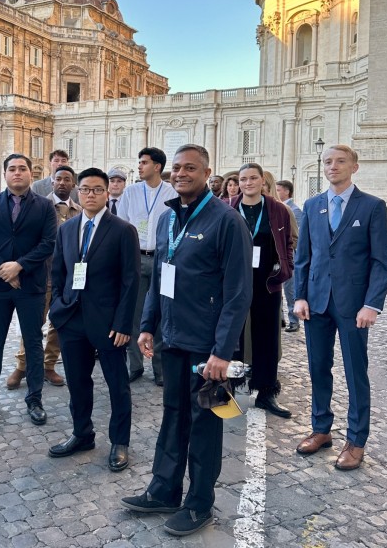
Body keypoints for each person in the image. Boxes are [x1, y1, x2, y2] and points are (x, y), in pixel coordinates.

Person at [121, 145, 252, 536]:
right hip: (173, 339)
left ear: (206, 172)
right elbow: (161, 277)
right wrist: (148, 326)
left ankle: (199, 504)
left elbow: (238, 294)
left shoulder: (227, 222)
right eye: (176, 168)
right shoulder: (167, 220)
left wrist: (222, 353)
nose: (180, 174)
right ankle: (164, 489)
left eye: (189, 168)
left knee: (205, 422)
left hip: (206, 347)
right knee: (173, 416)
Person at [294, 144, 387, 471]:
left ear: (354, 167)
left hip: (353, 307)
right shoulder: (312, 206)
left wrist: (372, 305)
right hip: (316, 303)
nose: (332, 166)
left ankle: (356, 439)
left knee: (354, 372)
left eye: (340, 161)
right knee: (318, 369)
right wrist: (300, 296)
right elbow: (304, 258)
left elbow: (381, 263)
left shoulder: (373, 207)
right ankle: (321, 429)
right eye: (327, 162)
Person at [48, 167, 140, 471]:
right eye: (85, 189)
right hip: (72, 319)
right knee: (77, 381)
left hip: (109, 323)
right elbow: (59, 271)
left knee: (117, 384)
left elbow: (130, 281)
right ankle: (82, 433)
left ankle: (120, 442)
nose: (90, 194)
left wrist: (124, 324)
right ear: (78, 191)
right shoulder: (67, 228)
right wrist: (58, 307)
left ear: (107, 193)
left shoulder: (123, 230)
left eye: (97, 189)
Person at [0, 154, 57, 427]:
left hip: (31, 285)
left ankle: (34, 399)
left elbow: (48, 243)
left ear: (31, 174)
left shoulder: (44, 207)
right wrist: (3, 269)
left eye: (22, 168)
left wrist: (19, 266)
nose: (17, 173)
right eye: (12, 169)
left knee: (32, 342)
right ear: (5, 174)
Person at [6, 165, 81, 389]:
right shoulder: (37, 206)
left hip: (68, 279)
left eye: (67, 179)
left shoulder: (79, 210)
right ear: (51, 181)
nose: (62, 183)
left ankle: (49, 365)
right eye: (58, 179)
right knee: (33, 324)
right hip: (41, 275)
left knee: (59, 324)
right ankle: (22, 366)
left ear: (73, 184)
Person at [231, 163, 294, 418]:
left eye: (252, 178)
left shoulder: (277, 209)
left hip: (267, 281)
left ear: (262, 181)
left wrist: (285, 269)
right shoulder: (229, 207)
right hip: (234, 280)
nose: (248, 183)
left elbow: (288, 241)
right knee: (233, 335)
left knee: (267, 336)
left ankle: (266, 391)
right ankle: (230, 388)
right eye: (243, 179)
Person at [117, 147, 177, 385]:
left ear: (157, 167)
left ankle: (160, 369)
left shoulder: (173, 193)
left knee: (162, 314)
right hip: (135, 258)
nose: (139, 166)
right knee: (135, 314)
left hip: (165, 260)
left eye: (144, 162)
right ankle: (135, 364)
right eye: (139, 162)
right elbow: (122, 226)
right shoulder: (130, 192)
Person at [275, 179, 303, 333]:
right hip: (276, 256)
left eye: (279, 189)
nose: (276, 192)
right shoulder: (275, 207)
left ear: (287, 191)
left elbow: (298, 234)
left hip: (289, 255)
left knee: (290, 289)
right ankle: (280, 318)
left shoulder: (295, 210)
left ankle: (294, 320)